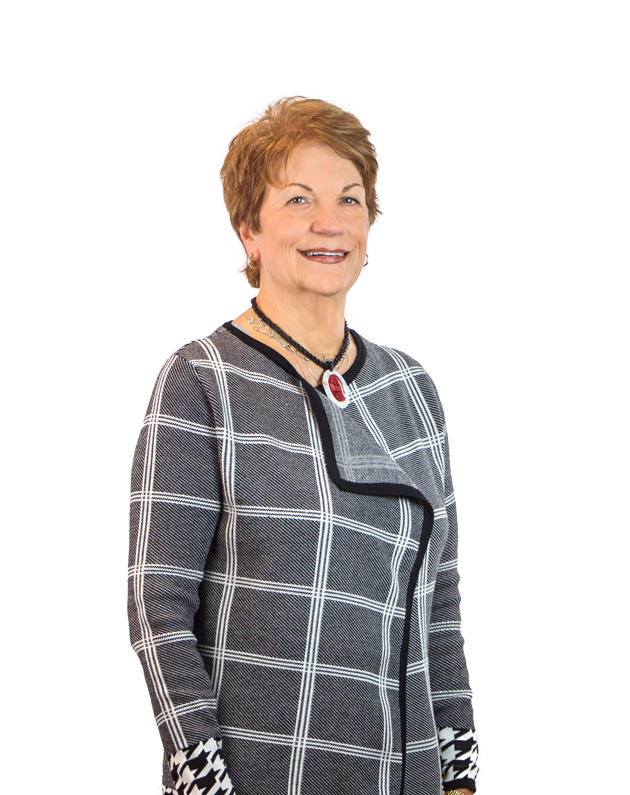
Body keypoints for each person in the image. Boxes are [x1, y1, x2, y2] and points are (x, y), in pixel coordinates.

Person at [127, 93, 481, 795]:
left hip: (406, 775)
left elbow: (439, 604)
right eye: (298, 199)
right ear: (249, 232)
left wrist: (458, 772)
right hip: (261, 776)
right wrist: (204, 778)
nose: (330, 222)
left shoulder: (411, 389)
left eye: (350, 199)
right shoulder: (201, 381)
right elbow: (158, 605)